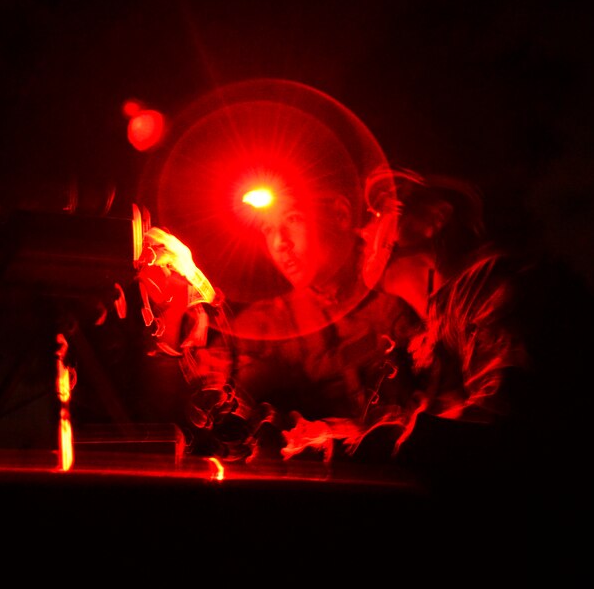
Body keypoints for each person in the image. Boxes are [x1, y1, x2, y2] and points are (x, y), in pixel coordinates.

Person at [179, 185, 425, 464]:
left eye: (293, 219)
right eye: (267, 229)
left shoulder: (399, 289)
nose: (279, 243)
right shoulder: (275, 319)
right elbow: (220, 361)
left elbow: (442, 402)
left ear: (341, 215)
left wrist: (338, 431)